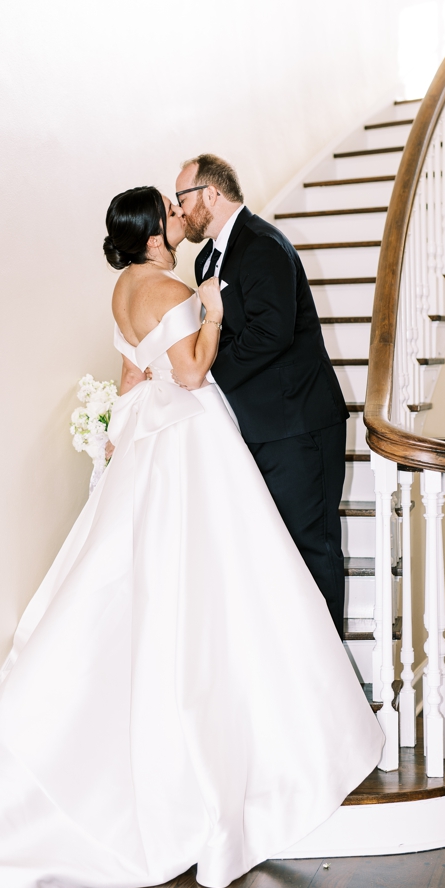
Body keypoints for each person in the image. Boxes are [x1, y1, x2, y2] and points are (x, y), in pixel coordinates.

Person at [0, 187, 382, 888]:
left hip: (144, 440)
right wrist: (214, 316)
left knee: (142, 582)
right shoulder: (169, 284)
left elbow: (135, 375)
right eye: (169, 211)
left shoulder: (121, 288)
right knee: (214, 581)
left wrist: (115, 436)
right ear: (155, 231)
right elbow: (191, 372)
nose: (177, 217)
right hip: (190, 440)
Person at [177, 154, 350, 634]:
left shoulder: (263, 244)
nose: (180, 209)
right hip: (258, 427)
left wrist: (208, 374)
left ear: (211, 194)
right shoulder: (205, 259)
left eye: (183, 198)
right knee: (275, 552)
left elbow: (271, 333)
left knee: (310, 546)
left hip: (298, 425)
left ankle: (330, 678)